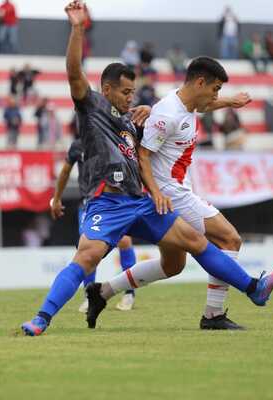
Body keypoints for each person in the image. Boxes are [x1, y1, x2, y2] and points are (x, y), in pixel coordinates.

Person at [21, 1, 273, 337]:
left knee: (193, 243)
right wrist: (77, 29)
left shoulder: (132, 121)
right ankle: (41, 319)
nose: (131, 98)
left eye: (134, 92)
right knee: (86, 257)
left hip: (140, 201)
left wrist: (151, 112)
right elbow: (74, 73)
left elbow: (171, 121)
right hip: (107, 202)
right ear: (106, 90)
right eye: (126, 92)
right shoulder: (92, 107)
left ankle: (254, 289)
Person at [98, 57, 253, 330]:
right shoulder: (168, 114)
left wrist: (229, 101)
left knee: (173, 265)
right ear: (200, 82)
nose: (216, 95)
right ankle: (213, 315)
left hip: (173, 190)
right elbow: (144, 155)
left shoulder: (185, 104)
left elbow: (205, 105)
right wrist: (157, 192)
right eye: (215, 88)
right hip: (172, 193)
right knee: (230, 239)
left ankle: (102, 292)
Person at [51, 137, 140, 312]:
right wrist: (57, 198)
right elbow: (65, 171)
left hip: (113, 201)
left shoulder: (112, 138)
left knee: (125, 241)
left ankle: (129, 293)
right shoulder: (78, 145)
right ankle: (90, 295)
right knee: (87, 248)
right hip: (88, 203)